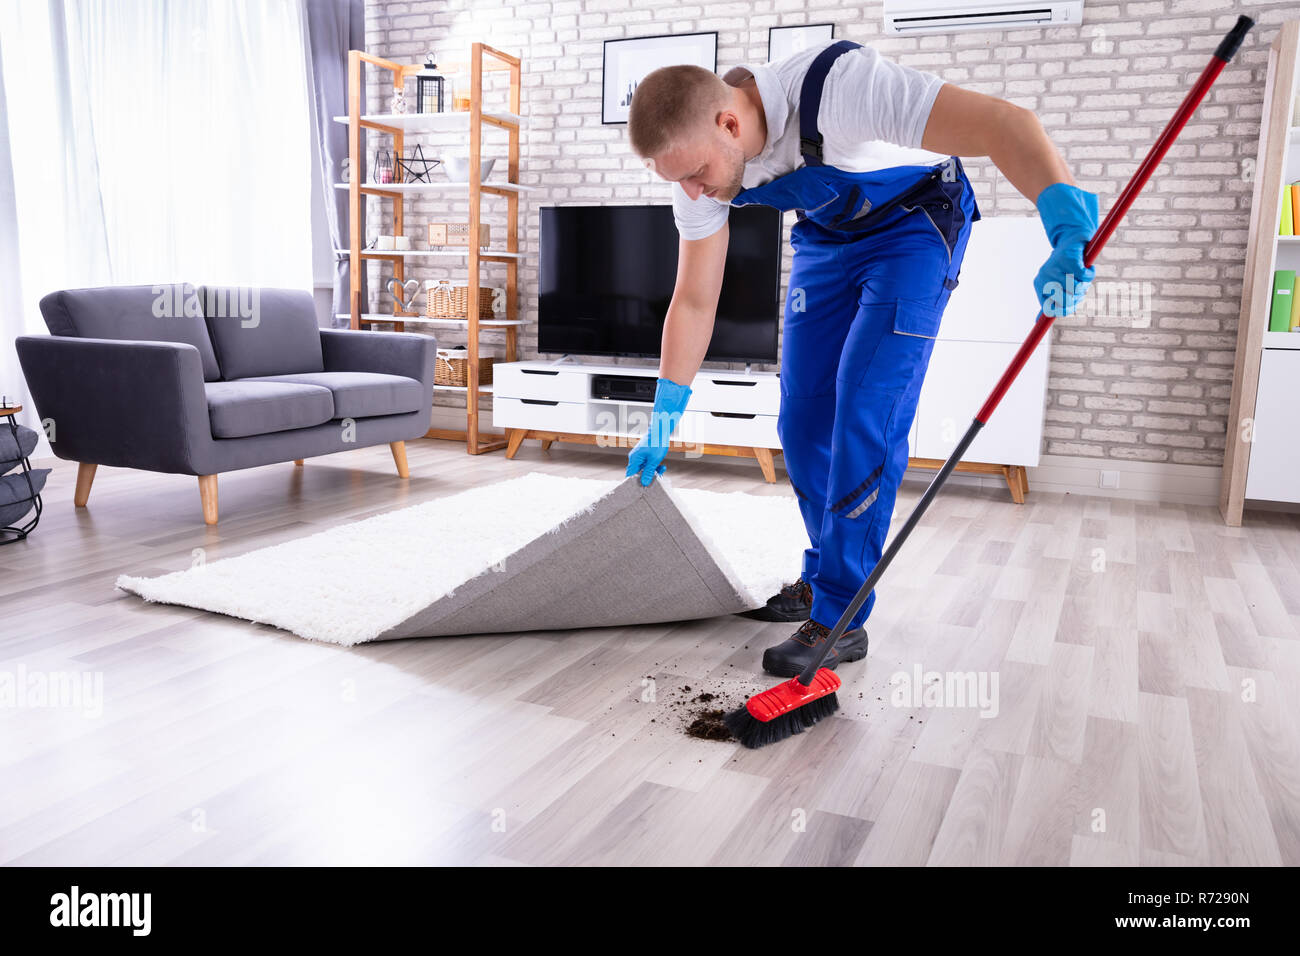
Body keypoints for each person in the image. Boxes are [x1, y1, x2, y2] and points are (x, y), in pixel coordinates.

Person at [624, 39, 1097, 678]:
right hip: (829, 235)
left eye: (695, 174)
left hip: (916, 227)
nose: (691, 191)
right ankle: (823, 578)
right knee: (802, 420)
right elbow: (694, 300)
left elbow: (1005, 124)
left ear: (729, 124)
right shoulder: (700, 169)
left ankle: (841, 612)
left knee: (864, 410)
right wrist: (664, 413)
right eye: (678, 180)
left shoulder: (842, 90)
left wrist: (1064, 223)